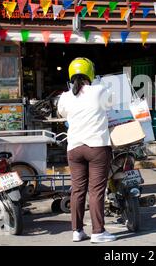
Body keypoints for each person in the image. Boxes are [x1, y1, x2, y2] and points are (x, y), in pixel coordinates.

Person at [57, 57, 116, 243]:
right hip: (97, 146)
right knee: (96, 190)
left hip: (74, 148)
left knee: (77, 190)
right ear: (91, 73)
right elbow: (111, 106)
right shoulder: (100, 90)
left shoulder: (65, 96)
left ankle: (77, 231)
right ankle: (98, 232)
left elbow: (62, 113)